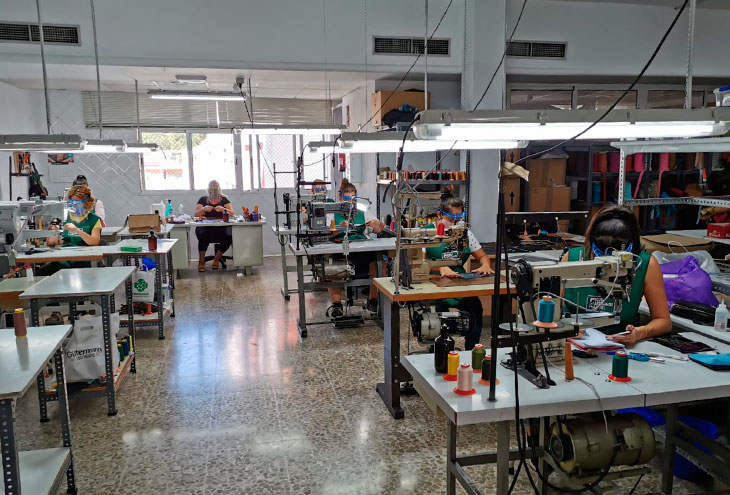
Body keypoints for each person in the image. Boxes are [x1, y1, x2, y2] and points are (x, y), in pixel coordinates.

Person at [563, 205, 671, 345]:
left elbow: (664, 321)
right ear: (592, 242)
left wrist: (640, 332)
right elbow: (548, 309)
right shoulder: (571, 259)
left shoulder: (646, 265)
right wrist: (564, 328)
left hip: (621, 346)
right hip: (573, 344)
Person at [425, 189, 493, 350]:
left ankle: (472, 350)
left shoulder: (464, 233)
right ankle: (438, 351)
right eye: (452, 219)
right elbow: (417, 263)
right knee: (436, 314)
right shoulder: (426, 233)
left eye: (459, 218)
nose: (456, 223)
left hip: (458, 282)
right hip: (433, 283)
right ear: (440, 215)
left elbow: (482, 256)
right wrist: (439, 266)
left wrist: (485, 265)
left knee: (475, 307)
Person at [327, 178, 384, 317]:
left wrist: (377, 226)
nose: (351, 202)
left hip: (362, 250)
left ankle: (373, 301)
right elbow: (327, 234)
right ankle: (336, 305)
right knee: (332, 268)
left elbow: (378, 228)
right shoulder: (331, 213)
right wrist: (339, 228)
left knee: (380, 265)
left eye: (353, 198)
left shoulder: (363, 211)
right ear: (340, 197)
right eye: (347, 199)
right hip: (340, 250)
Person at [195, 180, 234, 272]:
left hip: (221, 228)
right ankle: (201, 261)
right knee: (203, 234)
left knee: (230, 235)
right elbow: (196, 214)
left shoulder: (224, 199)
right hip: (206, 227)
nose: (213, 191)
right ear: (208, 189)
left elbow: (232, 213)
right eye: (211, 189)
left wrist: (223, 209)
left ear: (219, 189)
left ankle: (216, 259)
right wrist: (203, 209)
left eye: (216, 189)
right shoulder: (203, 199)